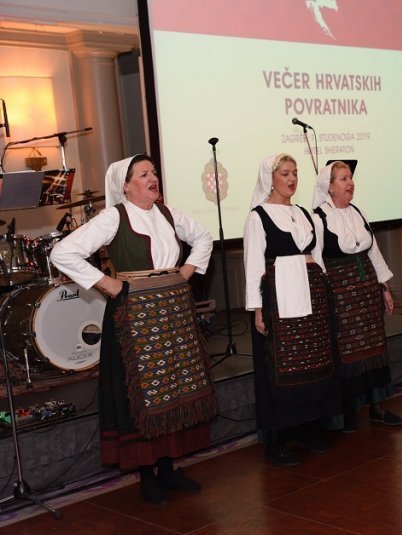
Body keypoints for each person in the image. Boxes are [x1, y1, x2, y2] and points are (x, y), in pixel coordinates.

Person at [50, 154, 217, 505]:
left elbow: (203, 238)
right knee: (143, 393)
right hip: (135, 315)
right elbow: (63, 252)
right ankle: (147, 475)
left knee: (173, 385)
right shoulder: (115, 217)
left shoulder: (169, 214)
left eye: (154, 171)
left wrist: (186, 271)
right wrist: (105, 284)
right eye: (144, 174)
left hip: (172, 310)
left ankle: (169, 467)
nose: (153, 177)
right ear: (126, 185)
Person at [243, 153, 340, 466]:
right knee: (281, 367)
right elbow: (254, 264)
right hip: (279, 297)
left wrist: (326, 293)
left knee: (311, 359)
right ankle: (278, 439)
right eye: (285, 173)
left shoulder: (303, 212)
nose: (292, 179)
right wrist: (257, 309)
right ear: (269, 178)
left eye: (295, 173)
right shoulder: (258, 216)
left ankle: (310, 428)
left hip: (310, 293)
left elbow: (318, 256)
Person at [312, 161, 402, 432]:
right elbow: (317, 262)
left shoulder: (358, 212)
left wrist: (384, 287)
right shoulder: (318, 218)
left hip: (366, 291)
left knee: (374, 349)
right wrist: (325, 297)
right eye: (342, 179)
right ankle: (348, 411)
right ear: (328, 186)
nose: (350, 183)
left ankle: (377, 406)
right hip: (341, 294)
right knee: (347, 352)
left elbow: (373, 252)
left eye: (350, 177)